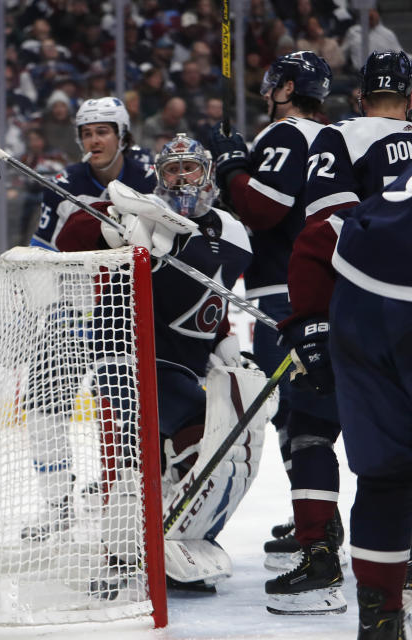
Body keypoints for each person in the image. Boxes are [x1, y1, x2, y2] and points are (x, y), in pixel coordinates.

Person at [38, 134, 262, 592]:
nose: (182, 178)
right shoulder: (138, 216)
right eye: (172, 170)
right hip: (123, 354)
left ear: (208, 174)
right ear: (158, 177)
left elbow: (210, 295)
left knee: (200, 449)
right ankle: (122, 554)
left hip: (182, 364)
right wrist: (111, 227)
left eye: (191, 168)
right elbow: (68, 239)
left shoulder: (229, 230)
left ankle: (171, 543)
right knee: (138, 455)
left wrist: (224, 340)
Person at [268, 50, 412, 617]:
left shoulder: (340, 137)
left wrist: (312, 320)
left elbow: (327, 230)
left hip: (358, 315)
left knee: (315, 430)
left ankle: (323, 560)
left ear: (358, 97)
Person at [206, 50, 338, 571]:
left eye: (272, 86)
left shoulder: (288, 135)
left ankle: (319, 530)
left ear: (284, 89)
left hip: (285, 298)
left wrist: (234, 166)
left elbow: (263, 208)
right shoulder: (330, 138)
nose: (266, 95)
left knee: (301, 418)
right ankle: (319, 518)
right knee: (310, 417)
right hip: (323, 290)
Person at [324, 166, 412, 640]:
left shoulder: (397, 177)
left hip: (356, 308)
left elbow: (319, 236)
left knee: (385, 475)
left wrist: (306, 324)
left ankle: (379, 621)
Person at [30, 96, 157, 251]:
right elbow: (42, 250)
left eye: (102, 132)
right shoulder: (62, 187)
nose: (94, 141)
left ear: (122, 137)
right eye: (87, 134)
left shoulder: (151, 181)